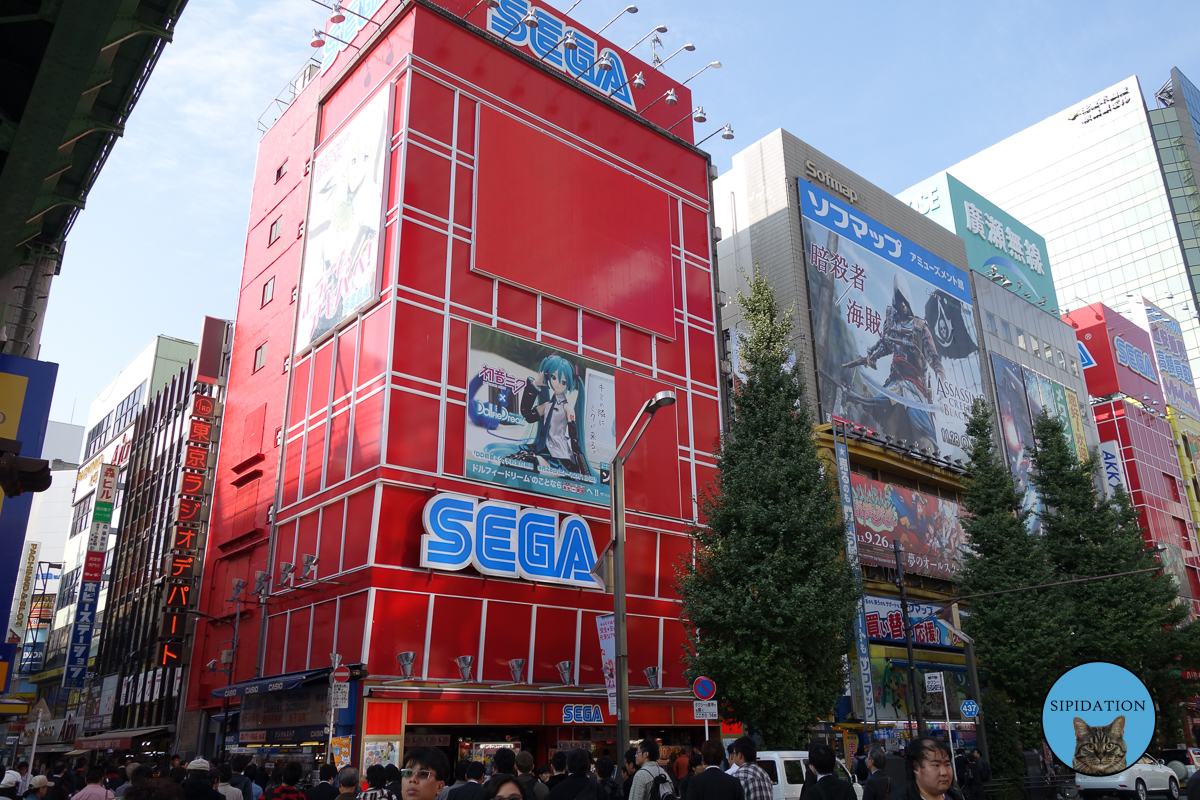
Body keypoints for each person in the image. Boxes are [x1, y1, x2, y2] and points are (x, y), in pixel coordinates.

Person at [886, 737, 962, 800]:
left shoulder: (955, 795)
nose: (944, 772)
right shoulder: (898, 798)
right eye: (936, 765)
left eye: (947, 764)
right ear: (916, 767)